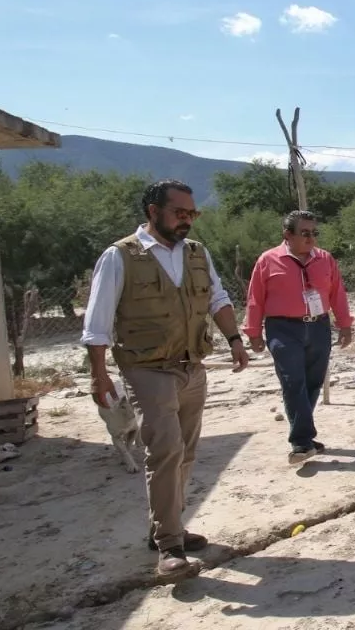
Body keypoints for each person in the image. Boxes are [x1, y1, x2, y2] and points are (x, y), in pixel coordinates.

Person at [81, 179, 250, 579]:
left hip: (192, 365)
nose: (187, 221)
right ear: (153, 212)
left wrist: (234, 339)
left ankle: (165, 527)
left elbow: (218, 298)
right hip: (147, 368)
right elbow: (97, 321)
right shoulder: (119, 256)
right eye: (179, 213)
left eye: (192, 214)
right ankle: (170, 547)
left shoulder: (196, 253)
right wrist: (98, 374)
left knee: (187, 453)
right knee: (166, 451)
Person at [243, 210, 354, 466]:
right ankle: (301, 442)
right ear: (287, 234)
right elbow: (255, 298)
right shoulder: (268, 260)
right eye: (304, 233)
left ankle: (304, 435)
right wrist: (253, 332)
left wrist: (345, 325)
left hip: (318, 327)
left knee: (313, 382)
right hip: (282, 329)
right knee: (293, 382)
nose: (311, 238)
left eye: (314, 233)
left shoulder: (325, 259)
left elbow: (338, 293)